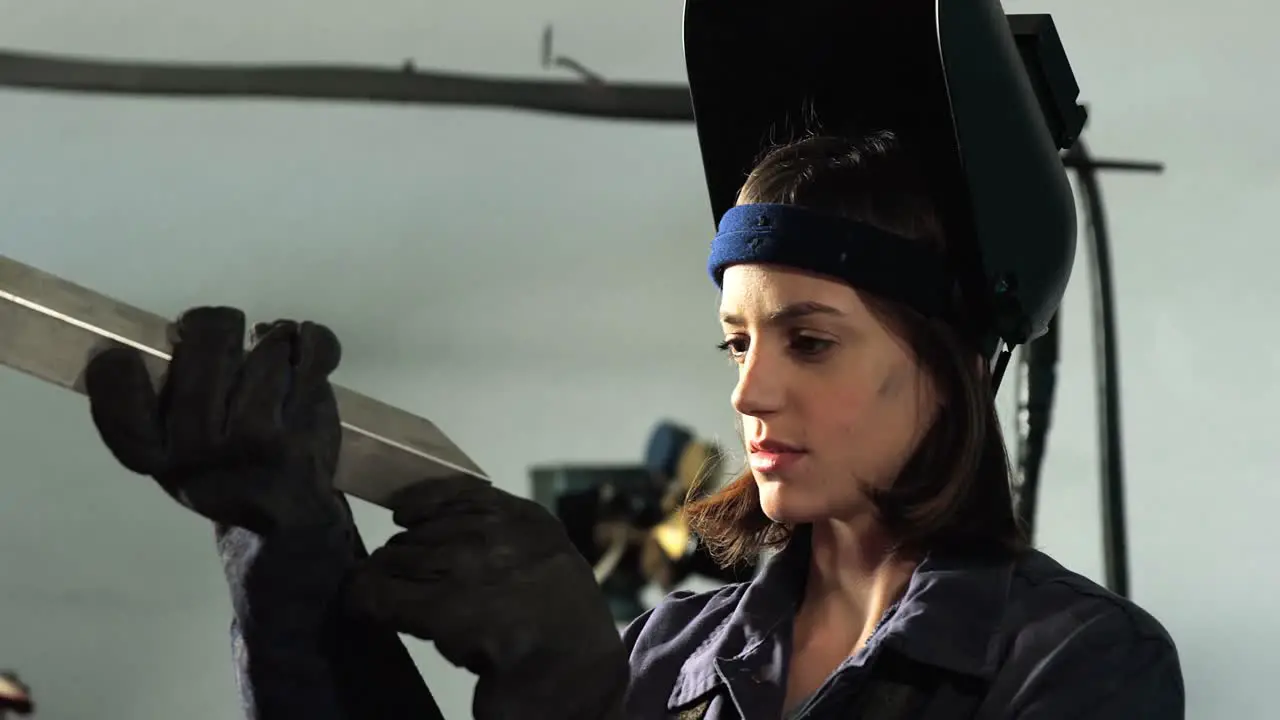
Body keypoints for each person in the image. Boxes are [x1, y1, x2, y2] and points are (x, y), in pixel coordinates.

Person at [81, 131, 1184, 719]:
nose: (750, 395)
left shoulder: (1078, 666)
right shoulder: (673, 655)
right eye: (735, 343)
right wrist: (292, 550)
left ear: (949, 369)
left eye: (808, 341)